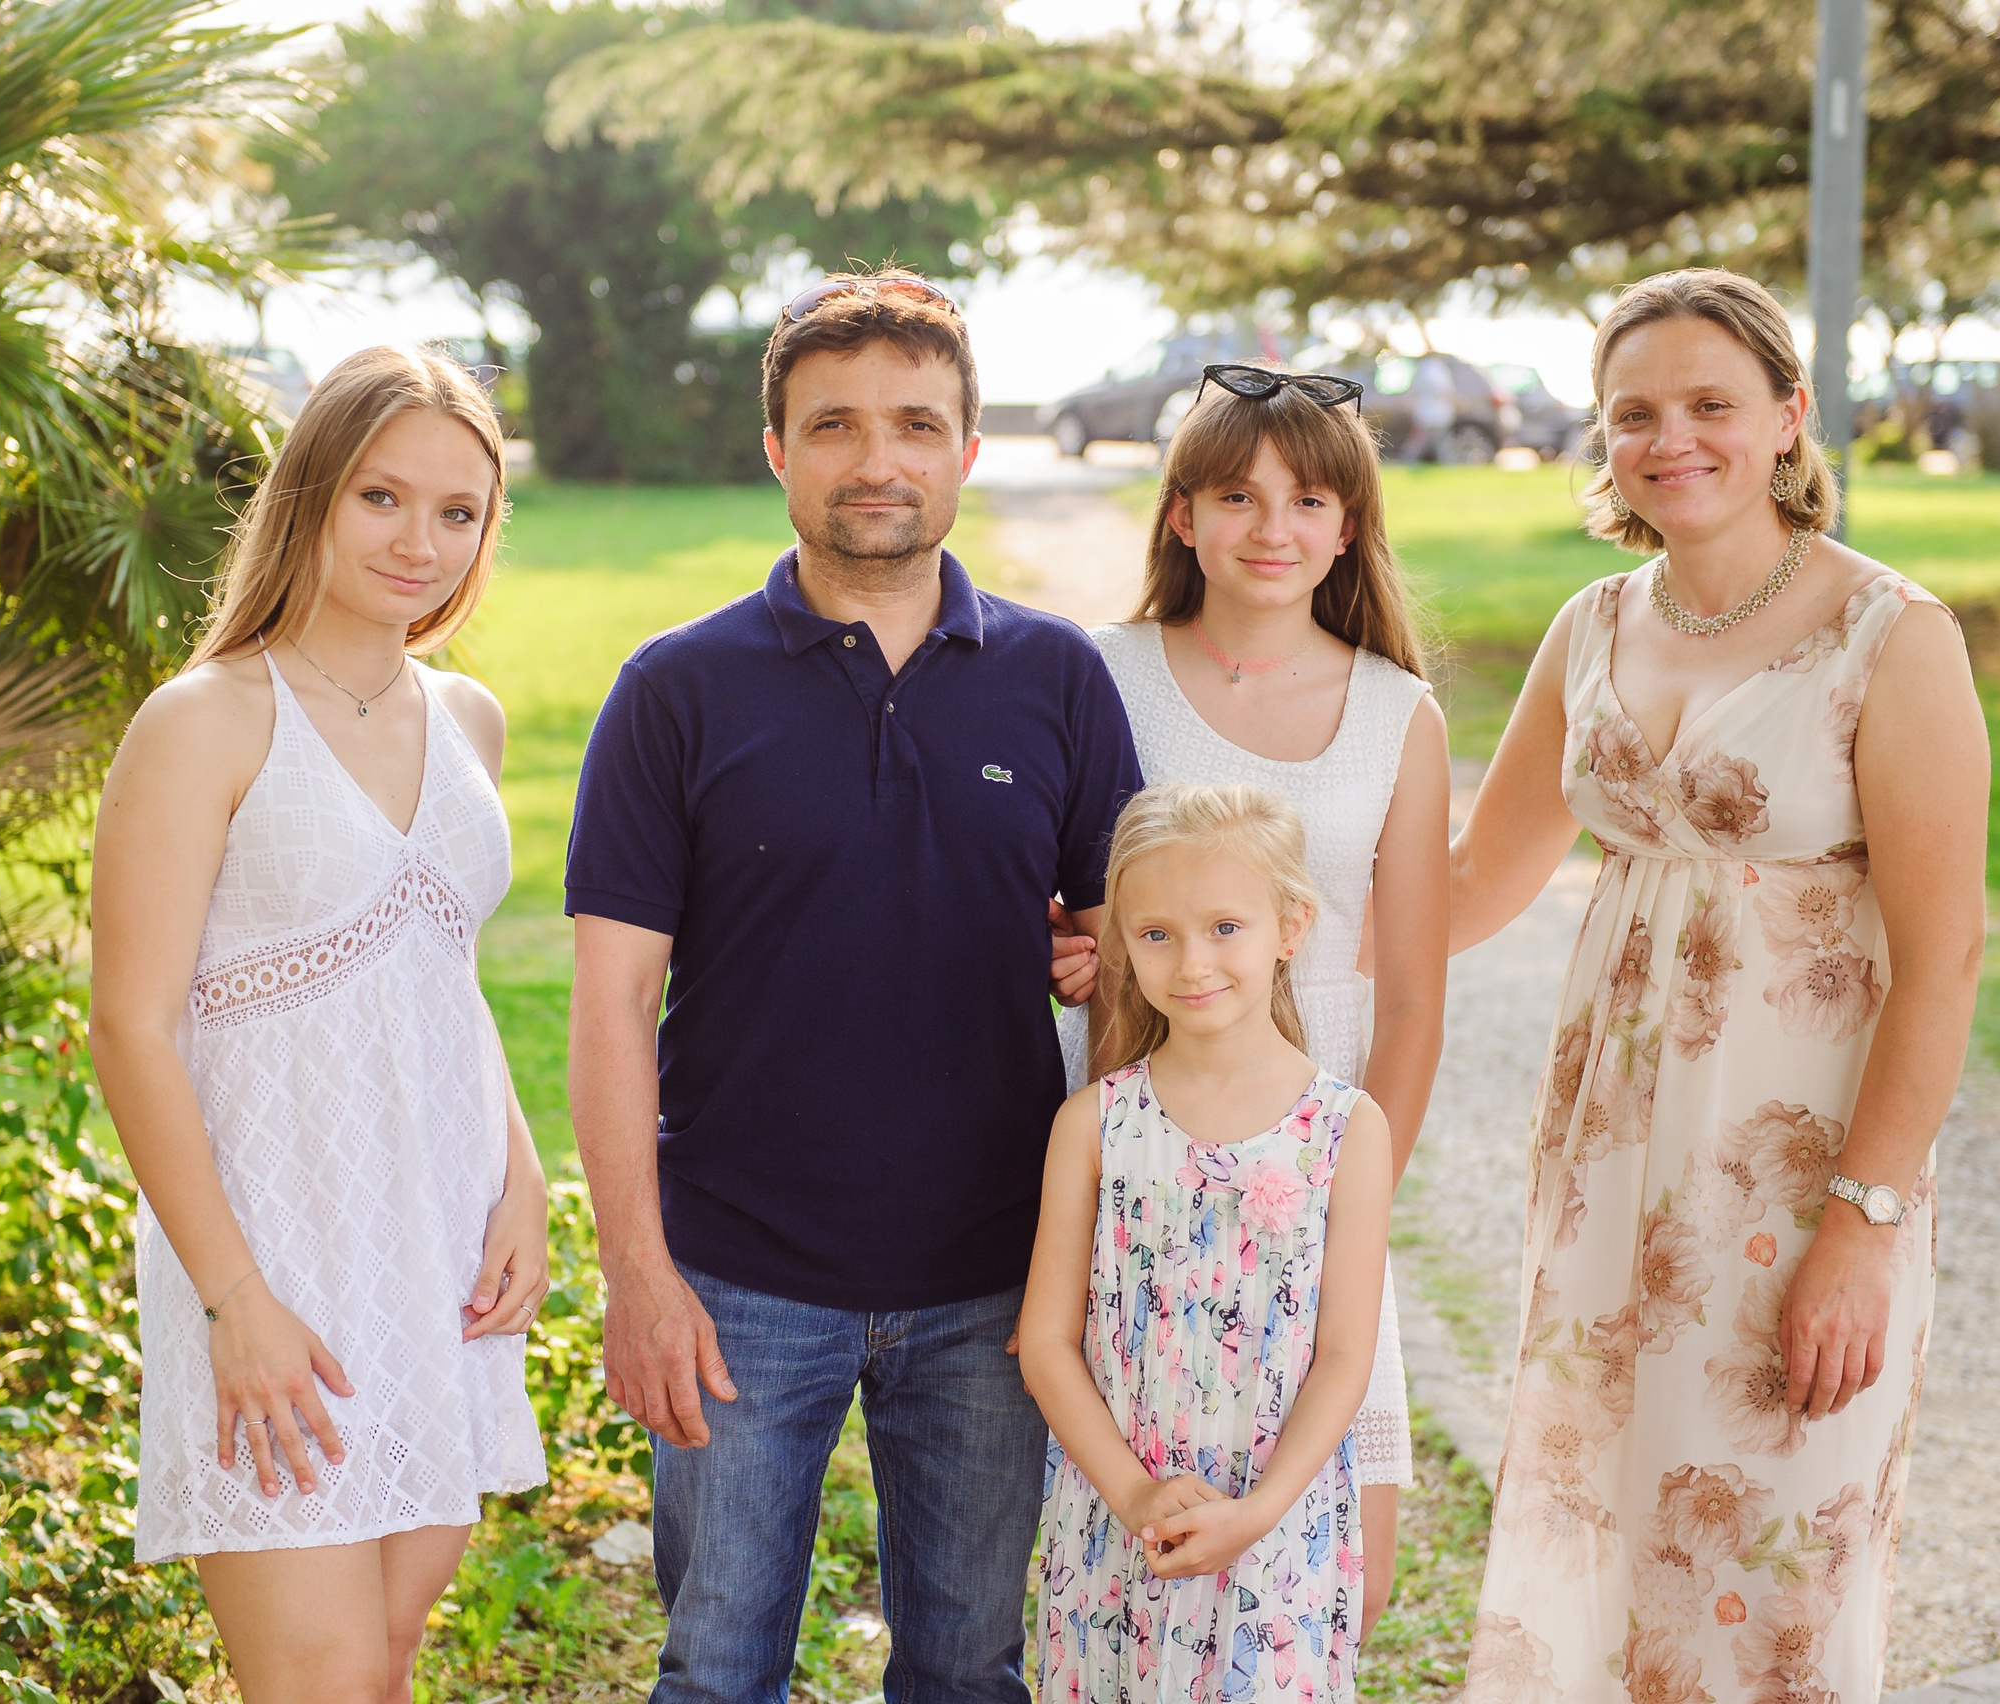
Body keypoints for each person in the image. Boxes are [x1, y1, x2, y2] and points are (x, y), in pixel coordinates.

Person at [563, 268, 1144, 1704]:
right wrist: (639, 1276)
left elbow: (1131, 955)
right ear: (777, 451)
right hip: (738, 1278)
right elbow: (609, 1009)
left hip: (997, 1280)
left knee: (966, 1670)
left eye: (912, 423)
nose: (875, 460)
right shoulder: (675, 689)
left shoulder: (1060, 681)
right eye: (832, 426)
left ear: (966, 448)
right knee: (717, 1669)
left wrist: (1102, 957)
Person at [1448, 270, 1986, 1700]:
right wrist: (1200, 919)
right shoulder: (1592, 625)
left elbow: (1947, 960)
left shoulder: (1894, 637)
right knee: (1610, 1533)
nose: (1670, 438)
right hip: (1610, 1165)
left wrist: (1864, 1226)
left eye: (1710, 405)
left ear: (1790, 417)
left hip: (1797, 1175)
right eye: (1634, 413)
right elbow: (1460, 894)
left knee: (1771, 1561)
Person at [90, 347, 549, 1704]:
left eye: (459, 512)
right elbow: (129, 1031)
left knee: (386, 1657)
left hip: (436, 1251)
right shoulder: (204, 721)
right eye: (382, 498)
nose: (422, 542)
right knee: (324, 1676)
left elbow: (442, 973)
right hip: (270, 1257)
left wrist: (520, 1171)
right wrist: (236, 1300)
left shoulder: (466, 715)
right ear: (309, 497)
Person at [1048, 363, 1449, 1635]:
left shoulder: (1397, 713)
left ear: (1348, 526)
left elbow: (1415, 1001)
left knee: (1339, 1570)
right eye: (1235, 494)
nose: (1272, 528)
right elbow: (1047, 891)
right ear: (1179, 515)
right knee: (1130, 1508)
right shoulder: (1096, 673)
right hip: (1140, 1119)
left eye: (1308, 499)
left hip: (1314, 1148)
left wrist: (1355, 1204)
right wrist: (1080, 949)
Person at [1022, 782, 1395, 1703]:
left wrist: (1260, 1514)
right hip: (1119, 1521)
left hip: (1276, 1526)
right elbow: (1045, 1343)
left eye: (1225, 926)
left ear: (1291, 924)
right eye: (1156, 934)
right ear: (1122, 945)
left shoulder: (1347, 1129)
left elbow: (1346, 1357)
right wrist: (1133, 1495)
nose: (1192, 962)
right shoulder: (1093, 1126)